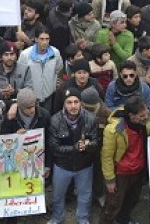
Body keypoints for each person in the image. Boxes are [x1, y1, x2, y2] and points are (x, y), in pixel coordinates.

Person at [47, 88, 99, 224]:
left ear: (81, 103)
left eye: (76, 102)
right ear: (64, 104)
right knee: (58, 195)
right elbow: (54, 148)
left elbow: (96, 142)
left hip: (84, 166)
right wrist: (74, 148)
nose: (73, 106)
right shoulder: (55, 120)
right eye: (69, 102)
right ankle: (57, 217)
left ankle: (83, 219)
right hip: (62, 166)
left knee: (85, 196)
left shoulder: (91, 118)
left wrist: (87, 145)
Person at [100, 96, 150, 224]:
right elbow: (106, 156)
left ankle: (123, 219)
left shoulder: (146, 121)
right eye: (142, 116)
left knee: (132, 199)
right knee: (113, 205)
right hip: (121, 173)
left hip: (139, 169)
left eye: (146, 113)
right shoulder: (113, 130)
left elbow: (149, 131)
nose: (146, 117)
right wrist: (110, 180)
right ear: (131, 116)